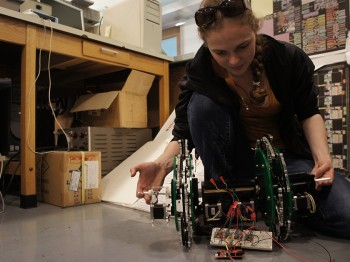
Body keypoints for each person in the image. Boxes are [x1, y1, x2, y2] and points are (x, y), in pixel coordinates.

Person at [130, 0, 350, 238]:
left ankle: (275, 208)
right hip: (234, 170)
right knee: (201, 104)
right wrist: (162, 164)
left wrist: (322, 158)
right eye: (220, 53)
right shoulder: (200, 73)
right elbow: (184, 133)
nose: (234, 61)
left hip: (286, 161)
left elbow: (309, 113)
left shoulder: (287, 58)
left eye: (243, 46)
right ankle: (228, 200)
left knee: (346, 215)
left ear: (255, 29)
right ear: (207, 45)